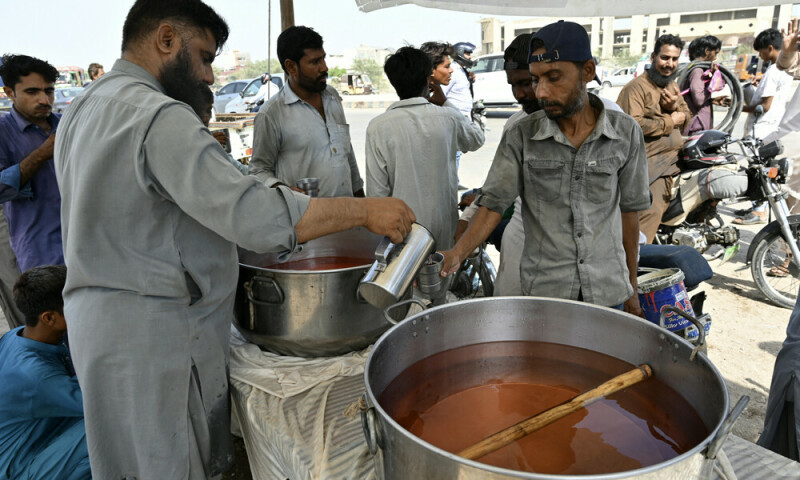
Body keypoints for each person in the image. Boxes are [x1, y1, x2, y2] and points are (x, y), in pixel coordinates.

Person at [53, 1, 414, 478]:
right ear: (166, 39)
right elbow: (254, 218)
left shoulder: (84, 108)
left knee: (124, 462)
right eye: (204, 56)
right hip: (157, 332)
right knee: (171, 463)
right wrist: (364, 209)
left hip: (100, 325)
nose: (207, 74)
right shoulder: (158, 115)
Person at [441, 20, 650, 316]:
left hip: (607, 290)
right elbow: (493, 204)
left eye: (554, 78)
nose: (541, 92)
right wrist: (457, 253)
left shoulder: (625, 132)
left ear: (587, 71)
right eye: (536, 79)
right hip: (546, 292)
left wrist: (631, 286)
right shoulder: (521, 134)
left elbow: (630, 214)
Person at [365, 46, 484, 250]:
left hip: (404, 234)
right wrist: (446, 102)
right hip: (445, 231)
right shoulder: (448, 117)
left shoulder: (378, 127)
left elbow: (378, 195)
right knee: (443, 278)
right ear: (429, 79)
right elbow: (476, 139)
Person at [249, 26, 364, 197]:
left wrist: (361, 200)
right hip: (307, 218)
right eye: (315, 62)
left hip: (350, 216)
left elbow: (347, 155)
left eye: (323, 59)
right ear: (291, 67)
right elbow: (258, 170)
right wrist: (281, 189)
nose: (324, 67)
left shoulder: (332, 97)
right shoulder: (272, 114)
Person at [0, 265, 90, 480]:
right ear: (49, 318)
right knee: (109, 425)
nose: (86, 308)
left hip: (34, 440)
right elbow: (103, 402)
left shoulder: (17, 336)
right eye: (76, 304)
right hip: (19, 467)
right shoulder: (35, 377)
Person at [617, 34, 692, 243]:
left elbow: (686, 115)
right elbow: (633, 126)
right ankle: (637, 269)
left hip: (671, 162)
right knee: (645, 226)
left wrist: (674, 107)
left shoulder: (672, 86)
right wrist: (670, 120)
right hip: (649, 167)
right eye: (665, 58)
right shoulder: (636, 88)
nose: (669, 64)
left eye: (674, 59)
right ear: (653, 57)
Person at [0, 55, 64, 272]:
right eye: (32, 92)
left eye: (49, 91)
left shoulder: (67, 125)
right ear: (10, 93)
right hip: (41, 254)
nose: (44, 100)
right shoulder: (3, 131)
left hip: (87, 246)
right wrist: (41, 154)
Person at [734, 28, 793, 225]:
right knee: (766, 171)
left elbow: (764, 106)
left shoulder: (774, 71)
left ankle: (760, 210)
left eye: (760, 52)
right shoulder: (785, 70)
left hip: (761, 128)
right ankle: (760, 208)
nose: (760, 56)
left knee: (759, 172)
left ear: (769, 48)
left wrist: (738, 107)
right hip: (772, 127)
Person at [682, 35, 728, 135]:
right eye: (715, 53)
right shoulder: (697, 70)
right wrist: (710, 87)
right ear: (707, 51)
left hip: (697, 124)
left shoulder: (694, 69)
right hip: (696, 125)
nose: (715, 57)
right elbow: (699, 99)